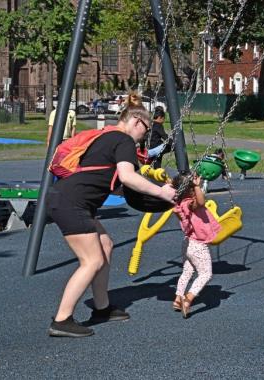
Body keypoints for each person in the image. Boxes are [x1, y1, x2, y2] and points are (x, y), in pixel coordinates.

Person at [46, 92, 176, 337]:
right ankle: (61, 320)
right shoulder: (124, 140)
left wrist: (152, 187)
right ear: (137, 122)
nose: (143, 139)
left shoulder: (104, 137)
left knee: (105, 244)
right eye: (145, 132)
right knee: (91, 260)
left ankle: (102, 308)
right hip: (72, 203)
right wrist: (162, 193)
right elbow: (128, 177)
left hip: (68, 199)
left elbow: (114, 182)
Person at [171, 173, 221, 319]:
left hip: (188, 243)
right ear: (189, 188)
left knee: (187, 271)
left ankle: (178, 298)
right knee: (206, 274)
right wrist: (197, 186)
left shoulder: (180, 203)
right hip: (198, 246)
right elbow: (200, 202)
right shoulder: (189, 203)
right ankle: (188, 299)